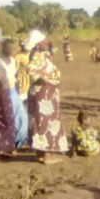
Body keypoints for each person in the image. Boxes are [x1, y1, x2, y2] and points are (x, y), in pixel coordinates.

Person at [26, 30, 68, 164]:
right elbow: (31, 71)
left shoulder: (41, 55)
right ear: (37, 44)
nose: (46, 42)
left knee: (39, 121)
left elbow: (52, 51)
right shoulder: (36, 56)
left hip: (44, 94)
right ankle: (48, 156)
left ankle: (40, 154)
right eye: (43, 41)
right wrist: (45, 78)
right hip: (44, 95)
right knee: (46, 122)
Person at [0, 38, 29, 150]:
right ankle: (14, 142)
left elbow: (14, 74)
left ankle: (20, 141)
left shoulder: (12, 60)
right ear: (4, 48)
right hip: (4, 91)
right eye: (9, 48)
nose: (11, 50)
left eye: (13, 48)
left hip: (13, 90)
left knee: (22, 117)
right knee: (12, 117)